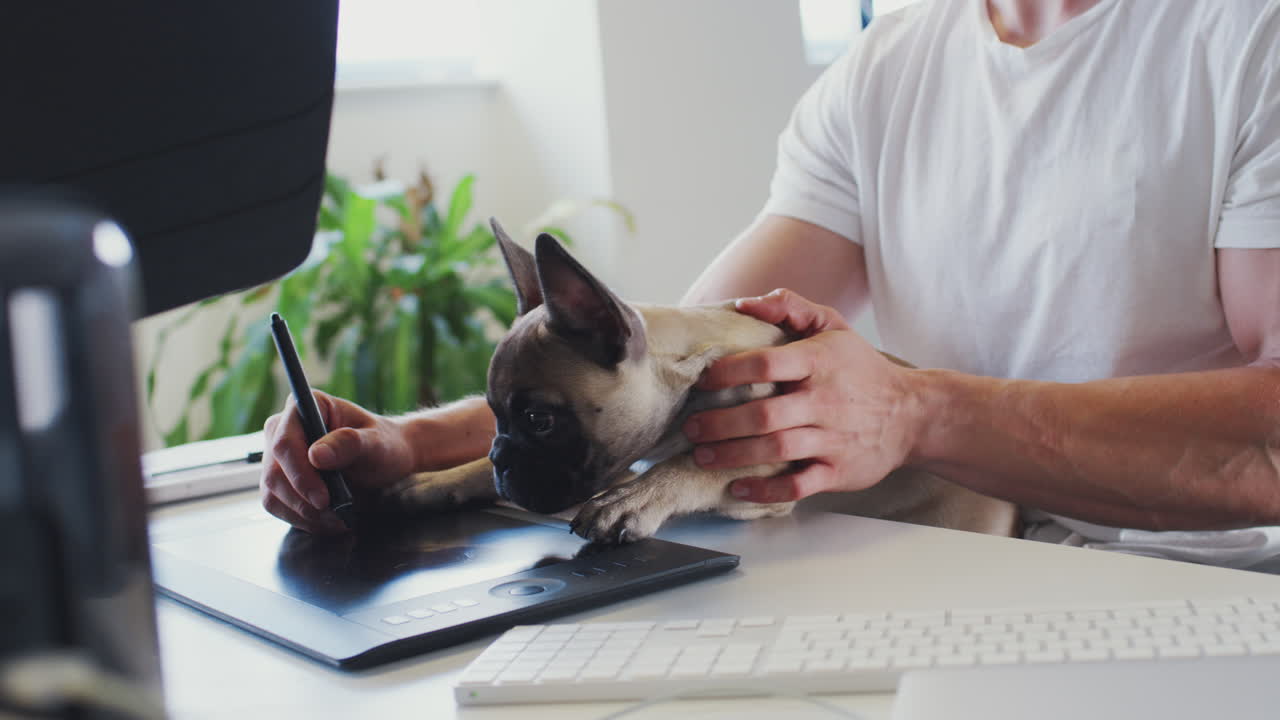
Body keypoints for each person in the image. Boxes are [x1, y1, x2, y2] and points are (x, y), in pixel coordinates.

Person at [261, 0, 1280, 568]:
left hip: (1175, 579)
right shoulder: (882, 73)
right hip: (922, 565)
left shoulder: (1246, 41)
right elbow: (658, 372)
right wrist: (403, 446)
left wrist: (913, 410)